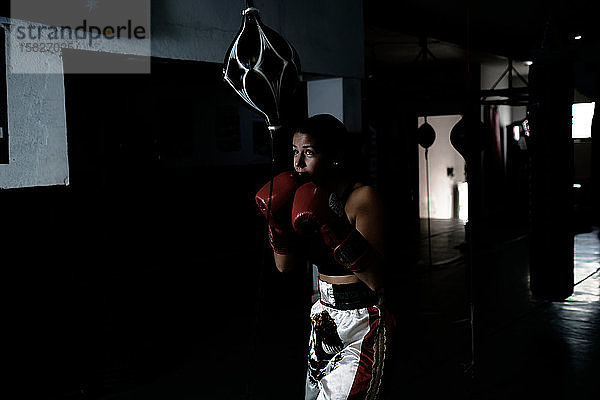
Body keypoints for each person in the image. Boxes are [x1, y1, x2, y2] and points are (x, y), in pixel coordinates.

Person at [255, 114, 394, 400]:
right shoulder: (300, 197)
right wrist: (276, 223)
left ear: (335, 155)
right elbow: (284, 266)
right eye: (295, 152)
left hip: (362, 322)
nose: (298, 163)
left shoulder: (362, 198)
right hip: (323, 317)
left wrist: (333, 226)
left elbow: (376, 278)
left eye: (309, 152)